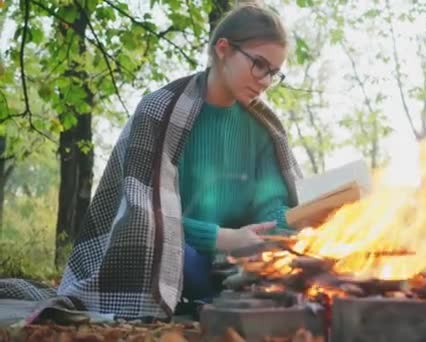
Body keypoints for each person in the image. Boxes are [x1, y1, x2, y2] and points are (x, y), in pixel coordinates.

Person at [57, 4, 302, 320]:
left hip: (242, 261)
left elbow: (277, 204)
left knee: (303, 260)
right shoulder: (159, 111)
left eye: (274, 72)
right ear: (223, 49)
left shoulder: (265, 127)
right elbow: (142, 216)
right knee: (164, 256)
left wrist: (266, 237)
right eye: (259, 64)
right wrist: (221, 239)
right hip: (183, 256)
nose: (266, 80)